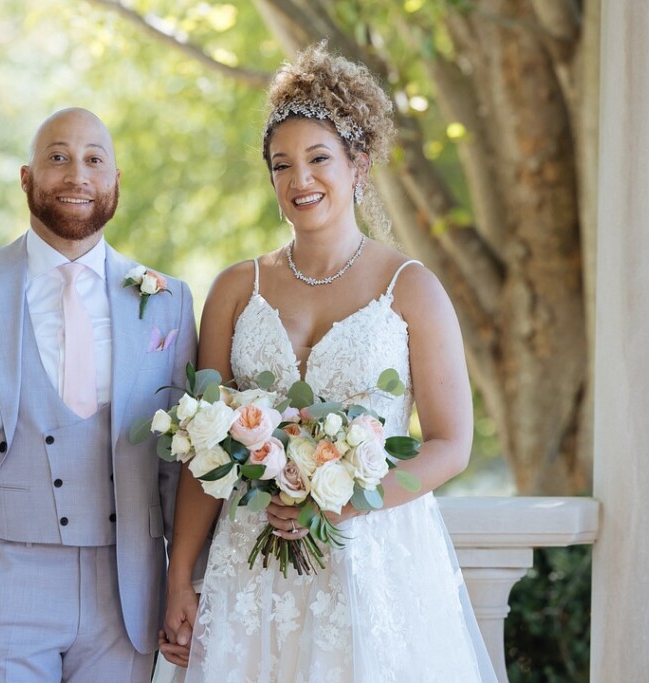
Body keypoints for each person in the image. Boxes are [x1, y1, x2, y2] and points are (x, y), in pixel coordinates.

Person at [157, 45, 497, 682]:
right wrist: (180, 581)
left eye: (319, 159)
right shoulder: (236, 289)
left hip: (371, 562)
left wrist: (349, 504)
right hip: (250, 568)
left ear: (357, 167)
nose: (300, 180)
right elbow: (202, 454)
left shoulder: (412, 287)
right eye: (282, 165)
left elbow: (452, 444)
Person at [0, 107, 197, 682]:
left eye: (94, 160)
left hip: (126, 590)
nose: (77, 174)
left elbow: (179, 460)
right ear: (27, 178)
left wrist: (186, 582)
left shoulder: (168, 301)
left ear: (115, 182)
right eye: (58, 158)